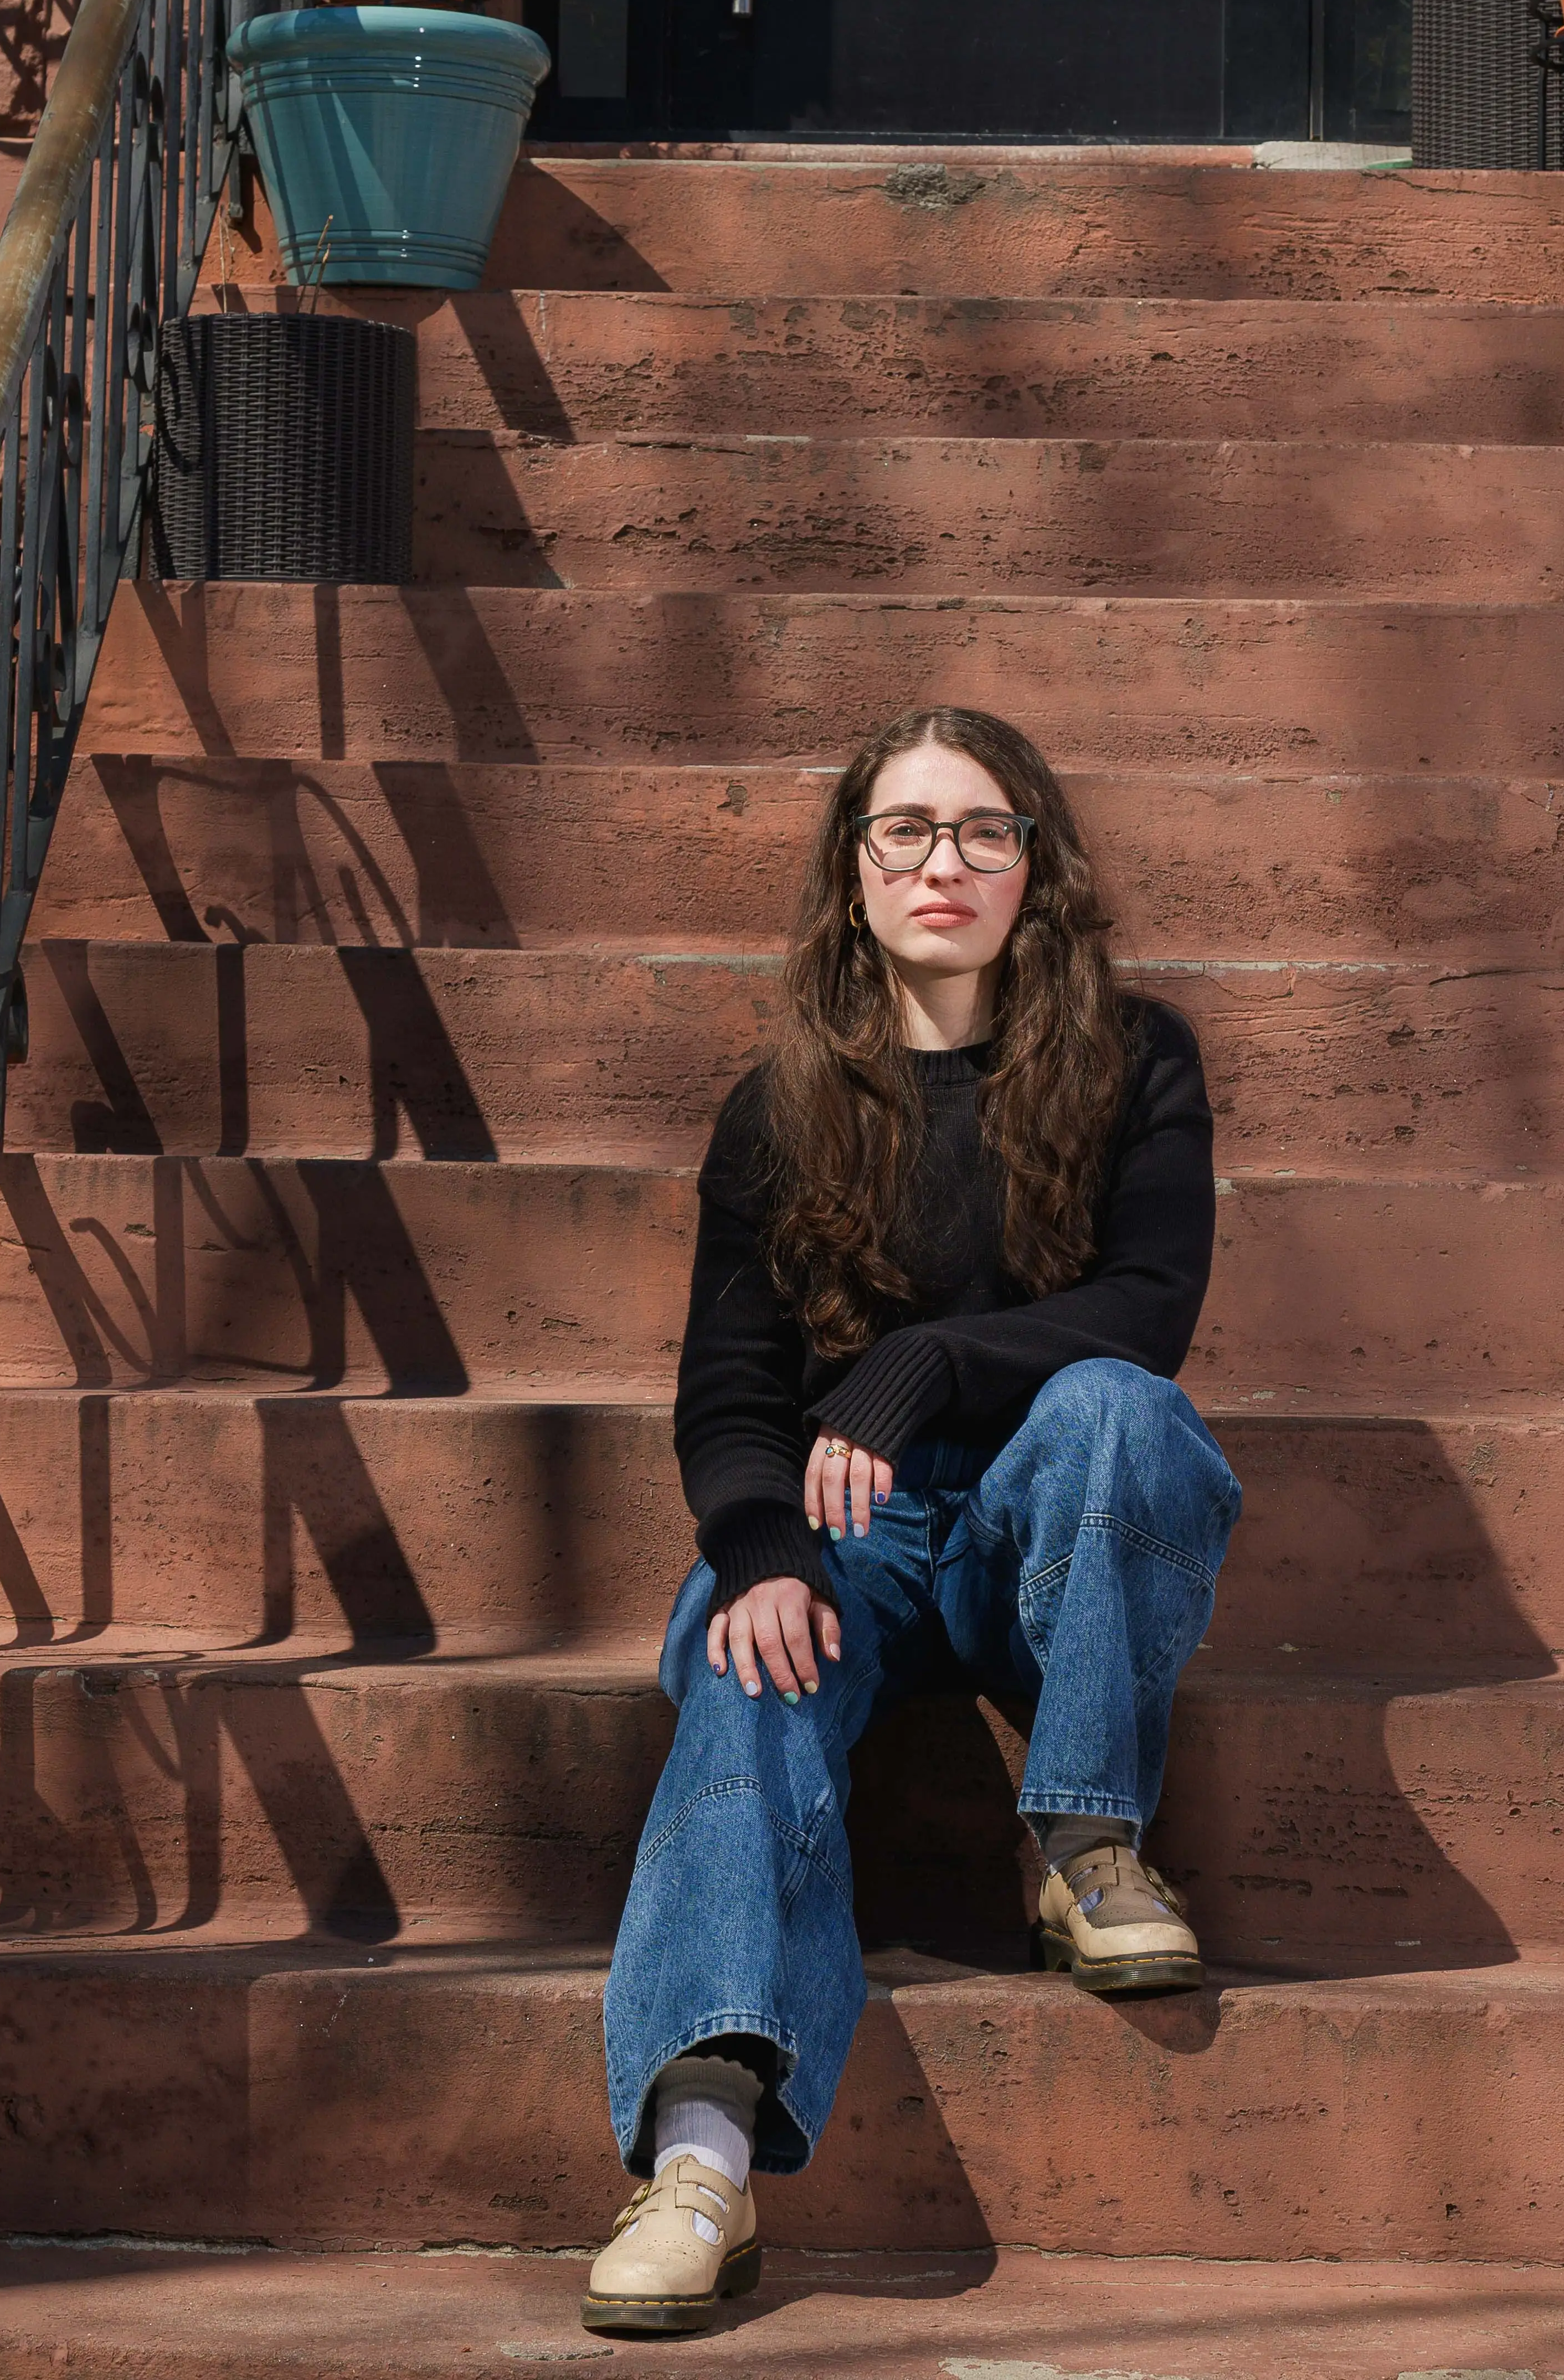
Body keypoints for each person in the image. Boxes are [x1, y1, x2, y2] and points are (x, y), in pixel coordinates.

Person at [582, 706, 1237, 2337]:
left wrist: (927, 1360)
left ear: (1035, 867)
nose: (945, 861)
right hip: (850, 1534)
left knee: (1119, 1409)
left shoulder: (1135, 1061)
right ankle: (702, 2160)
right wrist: (760, 1548)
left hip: (1046, 1530)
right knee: (743, 1660)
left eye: (984, 829)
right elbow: (732, 1390)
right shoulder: (780, 1109)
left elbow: (1150, 1305)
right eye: (906, 830)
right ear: (854, 870)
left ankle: (1084, 1842)